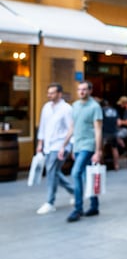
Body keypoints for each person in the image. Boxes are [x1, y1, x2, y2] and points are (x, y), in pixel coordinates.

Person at [59, 80, 103, 223]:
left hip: (88, 145)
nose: (81, 92)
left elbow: (98, 130)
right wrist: (65, 146)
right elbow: (72, 128)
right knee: (85, 177)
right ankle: (94, 206)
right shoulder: (75, 106)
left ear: (90, 91)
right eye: (79, 89)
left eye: (84, 89)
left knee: (75, 172)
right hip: (77, 146)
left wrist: (98, 151)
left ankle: (77, 209)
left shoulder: (95, 107)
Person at [36, 83, 74, 215]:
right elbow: (43, 126)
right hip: (48, 145)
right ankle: (75, 191)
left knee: (52, 172)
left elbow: (71, 128)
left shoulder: (66, 109)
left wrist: (64, 146)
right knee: (54, 172)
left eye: (52, 93)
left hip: (60, 145)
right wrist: (40, 143)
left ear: (59, 94)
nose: (49, 95)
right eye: (48, 93)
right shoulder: (46, 107)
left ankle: (50, 202)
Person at [101, 99, 120, 170]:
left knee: (101, 149)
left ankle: (101, 164)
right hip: (114, 133)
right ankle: (116, 165)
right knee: (114, 149)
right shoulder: (114, 110)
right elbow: (118, 123)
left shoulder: (101, 110)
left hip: (105, 133)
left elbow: (100, 122)